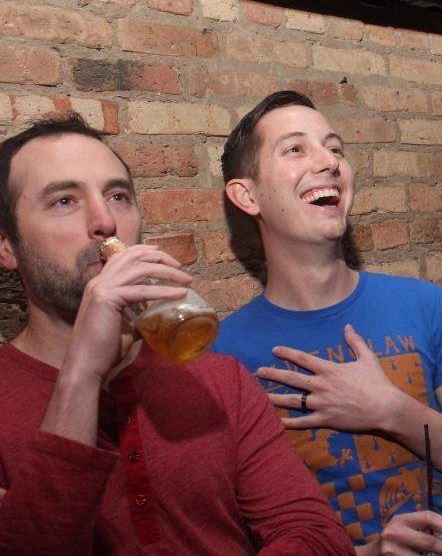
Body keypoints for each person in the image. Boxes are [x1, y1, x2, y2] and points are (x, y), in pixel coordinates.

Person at [0, 114, 352, 554]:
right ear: (6, 245)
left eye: (118, 196)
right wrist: (82, 375)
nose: (105, 221)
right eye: (64, 201)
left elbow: (318, 537)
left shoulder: (219, 380)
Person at [213, 91, 442, 555]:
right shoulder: (222, 355)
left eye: (335, 148)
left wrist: (392, 412)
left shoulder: (423, 304)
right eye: (296, 148)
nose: (329, 162)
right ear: (247, 195)